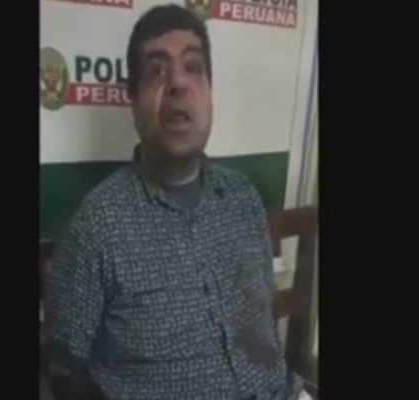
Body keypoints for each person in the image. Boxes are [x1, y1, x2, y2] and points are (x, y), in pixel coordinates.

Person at [45, 5, 314, 400]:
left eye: (193, 67)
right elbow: (63, 369)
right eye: (157, 71)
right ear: (133, 100)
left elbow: (263, 325)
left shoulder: (243, 199)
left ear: (209, 93)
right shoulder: (97, 227)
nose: (177, 83)